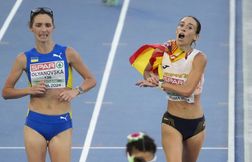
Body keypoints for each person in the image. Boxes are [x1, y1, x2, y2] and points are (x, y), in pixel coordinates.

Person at [1, 7, 96, 162]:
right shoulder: (23, 59)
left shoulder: (68, 53)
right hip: (34, 123)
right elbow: (6, 92)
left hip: (61, 122)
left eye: (47, 25)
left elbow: (90, 79)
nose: (43, 29)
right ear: (31, 28)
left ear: (53, 27)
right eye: (38, 25)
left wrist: (76, 91)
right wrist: (29, 90)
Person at [133, 16, 207, 162]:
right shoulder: (162, 52)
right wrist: (150, 78)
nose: (184, 28)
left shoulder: (199, 58)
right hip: (172, 122)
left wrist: (160, 83)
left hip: (196, 124)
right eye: (181, 25)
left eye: (190, 27)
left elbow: (187, 90)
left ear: (196, 36)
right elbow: (148, 70)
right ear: (177, 30)